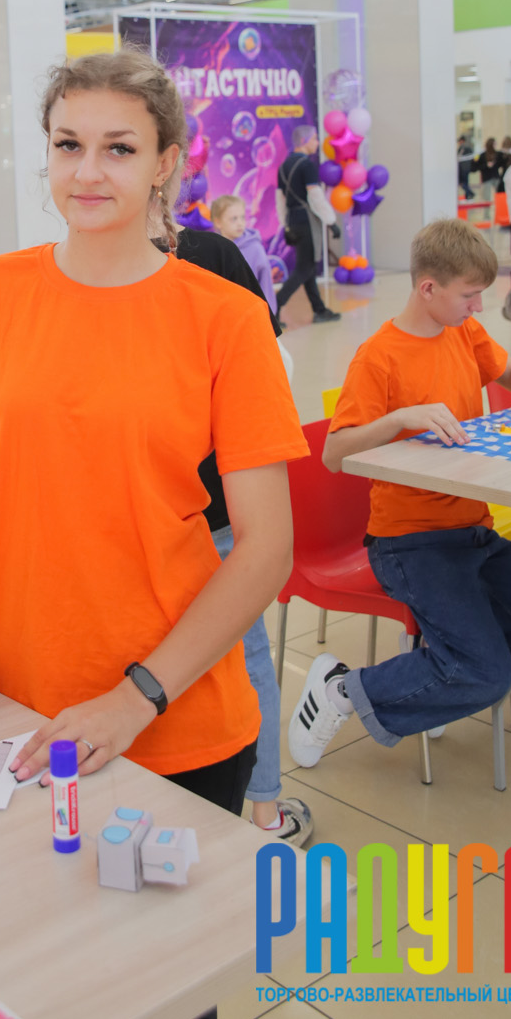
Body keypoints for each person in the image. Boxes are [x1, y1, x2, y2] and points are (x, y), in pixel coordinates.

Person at [0, 49, 307, 831]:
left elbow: (266, 547)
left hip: (178, 715)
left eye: (119, 148)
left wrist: (135, 698)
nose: (87, 172)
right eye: (68, 145)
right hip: (17, 705)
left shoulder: (226, 319)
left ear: (165, 164)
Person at [287, 217, 511, 769]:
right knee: (484, 672)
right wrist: (400, 418)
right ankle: (342, 689)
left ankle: (439, 677)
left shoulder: (463, 332)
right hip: (409, 542)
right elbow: (334, 453)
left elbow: (509, 372)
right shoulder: (379, 356)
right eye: (469, 296)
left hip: (474, 532)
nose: (478, 307)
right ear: (428, 288)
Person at [160, 189, 309, 843]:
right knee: (242, 655)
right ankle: (264, 812)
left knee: (234, 655)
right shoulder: (212, 254)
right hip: (211, 503)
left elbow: (267, 367)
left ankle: (254, 806)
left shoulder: (208, 255)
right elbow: (273, 367)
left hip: (205, 508)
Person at [275, 125, 341, 324]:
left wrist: (285, 224)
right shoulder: (306, 165)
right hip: (307, 222)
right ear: (304, 141)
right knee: (304, 269)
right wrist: (331, 221)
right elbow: (316, 197)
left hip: (293, 221)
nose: (317, 143)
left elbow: (280, 200)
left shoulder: (283, 166)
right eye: (315, 139)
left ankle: (319, 310)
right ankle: (274, 306)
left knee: (308, 267)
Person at [210, 193, 278, 312]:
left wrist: (269, 311)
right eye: (234, 219)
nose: (240, 223)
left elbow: (265, 282)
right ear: (218, 222)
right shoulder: (214, 249)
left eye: (242, 217)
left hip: (253, 312)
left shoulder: (255, 248)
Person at [457, 136, 475, 200]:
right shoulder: (468, 147)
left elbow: (459, 157)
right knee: (465, 182)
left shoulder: (463, 148)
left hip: (463, 168)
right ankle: (467, 196)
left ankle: (470, 193)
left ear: (462, 141)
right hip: (467, 168)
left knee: (462, 182)